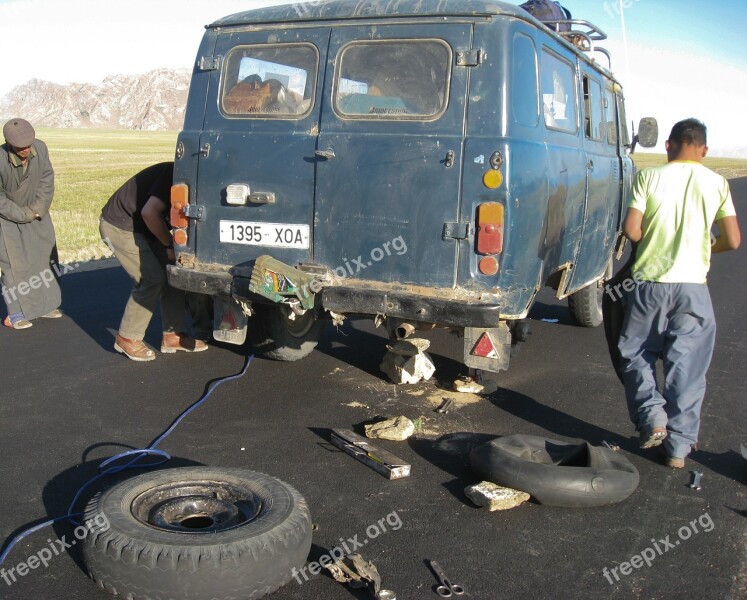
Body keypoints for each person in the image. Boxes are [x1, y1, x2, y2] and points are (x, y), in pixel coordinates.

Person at [618, 118, 741, 468]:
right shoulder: (717, 183)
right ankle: (678, 448)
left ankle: (653, 417)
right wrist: (703, 249)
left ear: (669, 145)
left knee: (635, 352)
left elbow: (631, 229)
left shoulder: (649, 176)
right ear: (703, 150)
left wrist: (654, 242)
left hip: (648, 286)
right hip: (693, 289)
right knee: (688, 367)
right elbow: (732, 240)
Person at [100, 162, 207, 361]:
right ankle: (127, 338)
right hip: (121, 226)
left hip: (146, 227)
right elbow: (149, 213)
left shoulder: (199, 181)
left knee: (172, 272)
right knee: (151, 278)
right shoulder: (173, 174)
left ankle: (173, 334)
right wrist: (168, 245)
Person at [0, 118, 62, 329]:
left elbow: (47, 179)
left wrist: (36, 210)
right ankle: (16, 313)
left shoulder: (41, 148)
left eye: (29, 144)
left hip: (37, 211)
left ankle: (44, 306)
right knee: (13, 265)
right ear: (9, 144)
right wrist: (22, 214)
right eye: (21, 147)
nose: (27, 149)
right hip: (7, 217)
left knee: (43, 257)